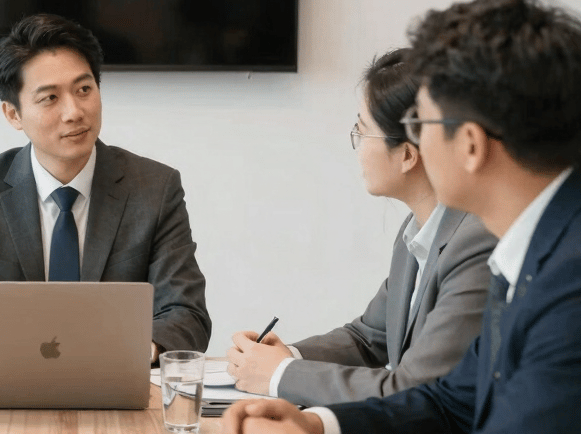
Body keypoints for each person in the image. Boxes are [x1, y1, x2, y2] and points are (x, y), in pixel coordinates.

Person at [222, 0, 581, 432]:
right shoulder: (528, 253)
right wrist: (316, 425)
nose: (414, 144)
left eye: (421, 123)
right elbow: (451, 401)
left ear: (470, 144)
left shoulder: (568, 281)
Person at [0, 13, 212, 366]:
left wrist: (140, 350)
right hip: (7, 385)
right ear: (13, 115)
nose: (74, 112)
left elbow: (187, 313)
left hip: (114, 384)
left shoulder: (154, 188)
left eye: (84, 90)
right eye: (50, 98)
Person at [223, 49, 497, 406]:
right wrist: (288, 355)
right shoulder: (416, 231)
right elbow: (369, 337)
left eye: (361, 131)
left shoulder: (475, 241)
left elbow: (414, 389)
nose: (356, 147)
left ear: (408, 155)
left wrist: (278, 375)